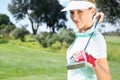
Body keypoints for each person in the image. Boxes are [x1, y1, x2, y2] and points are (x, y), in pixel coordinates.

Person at [61, 0, 112, 80]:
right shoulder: (80, 36)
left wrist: (91, 61)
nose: (75, 17)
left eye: (80, 11)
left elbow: (107, 78)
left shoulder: (96, 38)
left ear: (92, 11)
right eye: (72, 12)